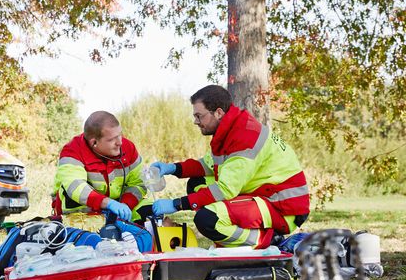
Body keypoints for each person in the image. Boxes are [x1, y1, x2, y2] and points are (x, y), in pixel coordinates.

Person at [151, 85, 310, 249]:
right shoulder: (230, 130)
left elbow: (225, 190)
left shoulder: (244, 137)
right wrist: (172, 168)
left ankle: (269, 240)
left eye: (199, 116)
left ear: (218, 113)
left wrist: (177, 204)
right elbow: (206, 165)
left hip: (283, 207)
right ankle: (234, 234)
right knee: (196, 182)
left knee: (207, 220)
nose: (195, 122)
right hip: (268, 195)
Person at [53, 111, 151, 222]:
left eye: (120, 135)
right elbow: (75, 187)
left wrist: (125, 205)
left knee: (149, 212)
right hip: (81, 217)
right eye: (112, 139)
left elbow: (138, 183)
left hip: (119, 208)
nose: (120, 142)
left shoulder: (128, 147)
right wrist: (108, 203)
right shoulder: (72, 151)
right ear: (94, 142)